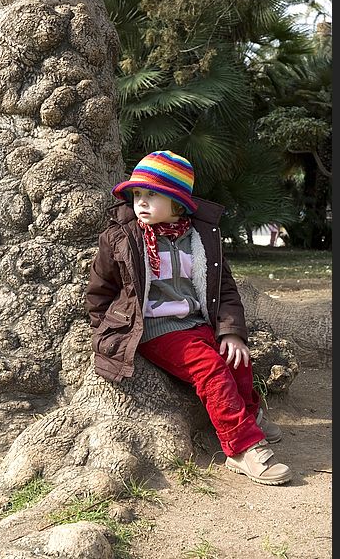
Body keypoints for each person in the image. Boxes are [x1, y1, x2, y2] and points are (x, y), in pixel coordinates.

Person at [84, 150, 291, 486]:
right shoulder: (122, 237)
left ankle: (249, 415)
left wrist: (231, 333)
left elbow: (224, 289)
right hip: (156, 328)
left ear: (177, 202)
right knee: (209, 369)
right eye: (137, 194)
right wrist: (105, 331)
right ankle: (242, 447)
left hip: (197, 322)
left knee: (236, 359)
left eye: (152, 195)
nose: (142, 202)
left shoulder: (200, 237)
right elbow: (99, 290)